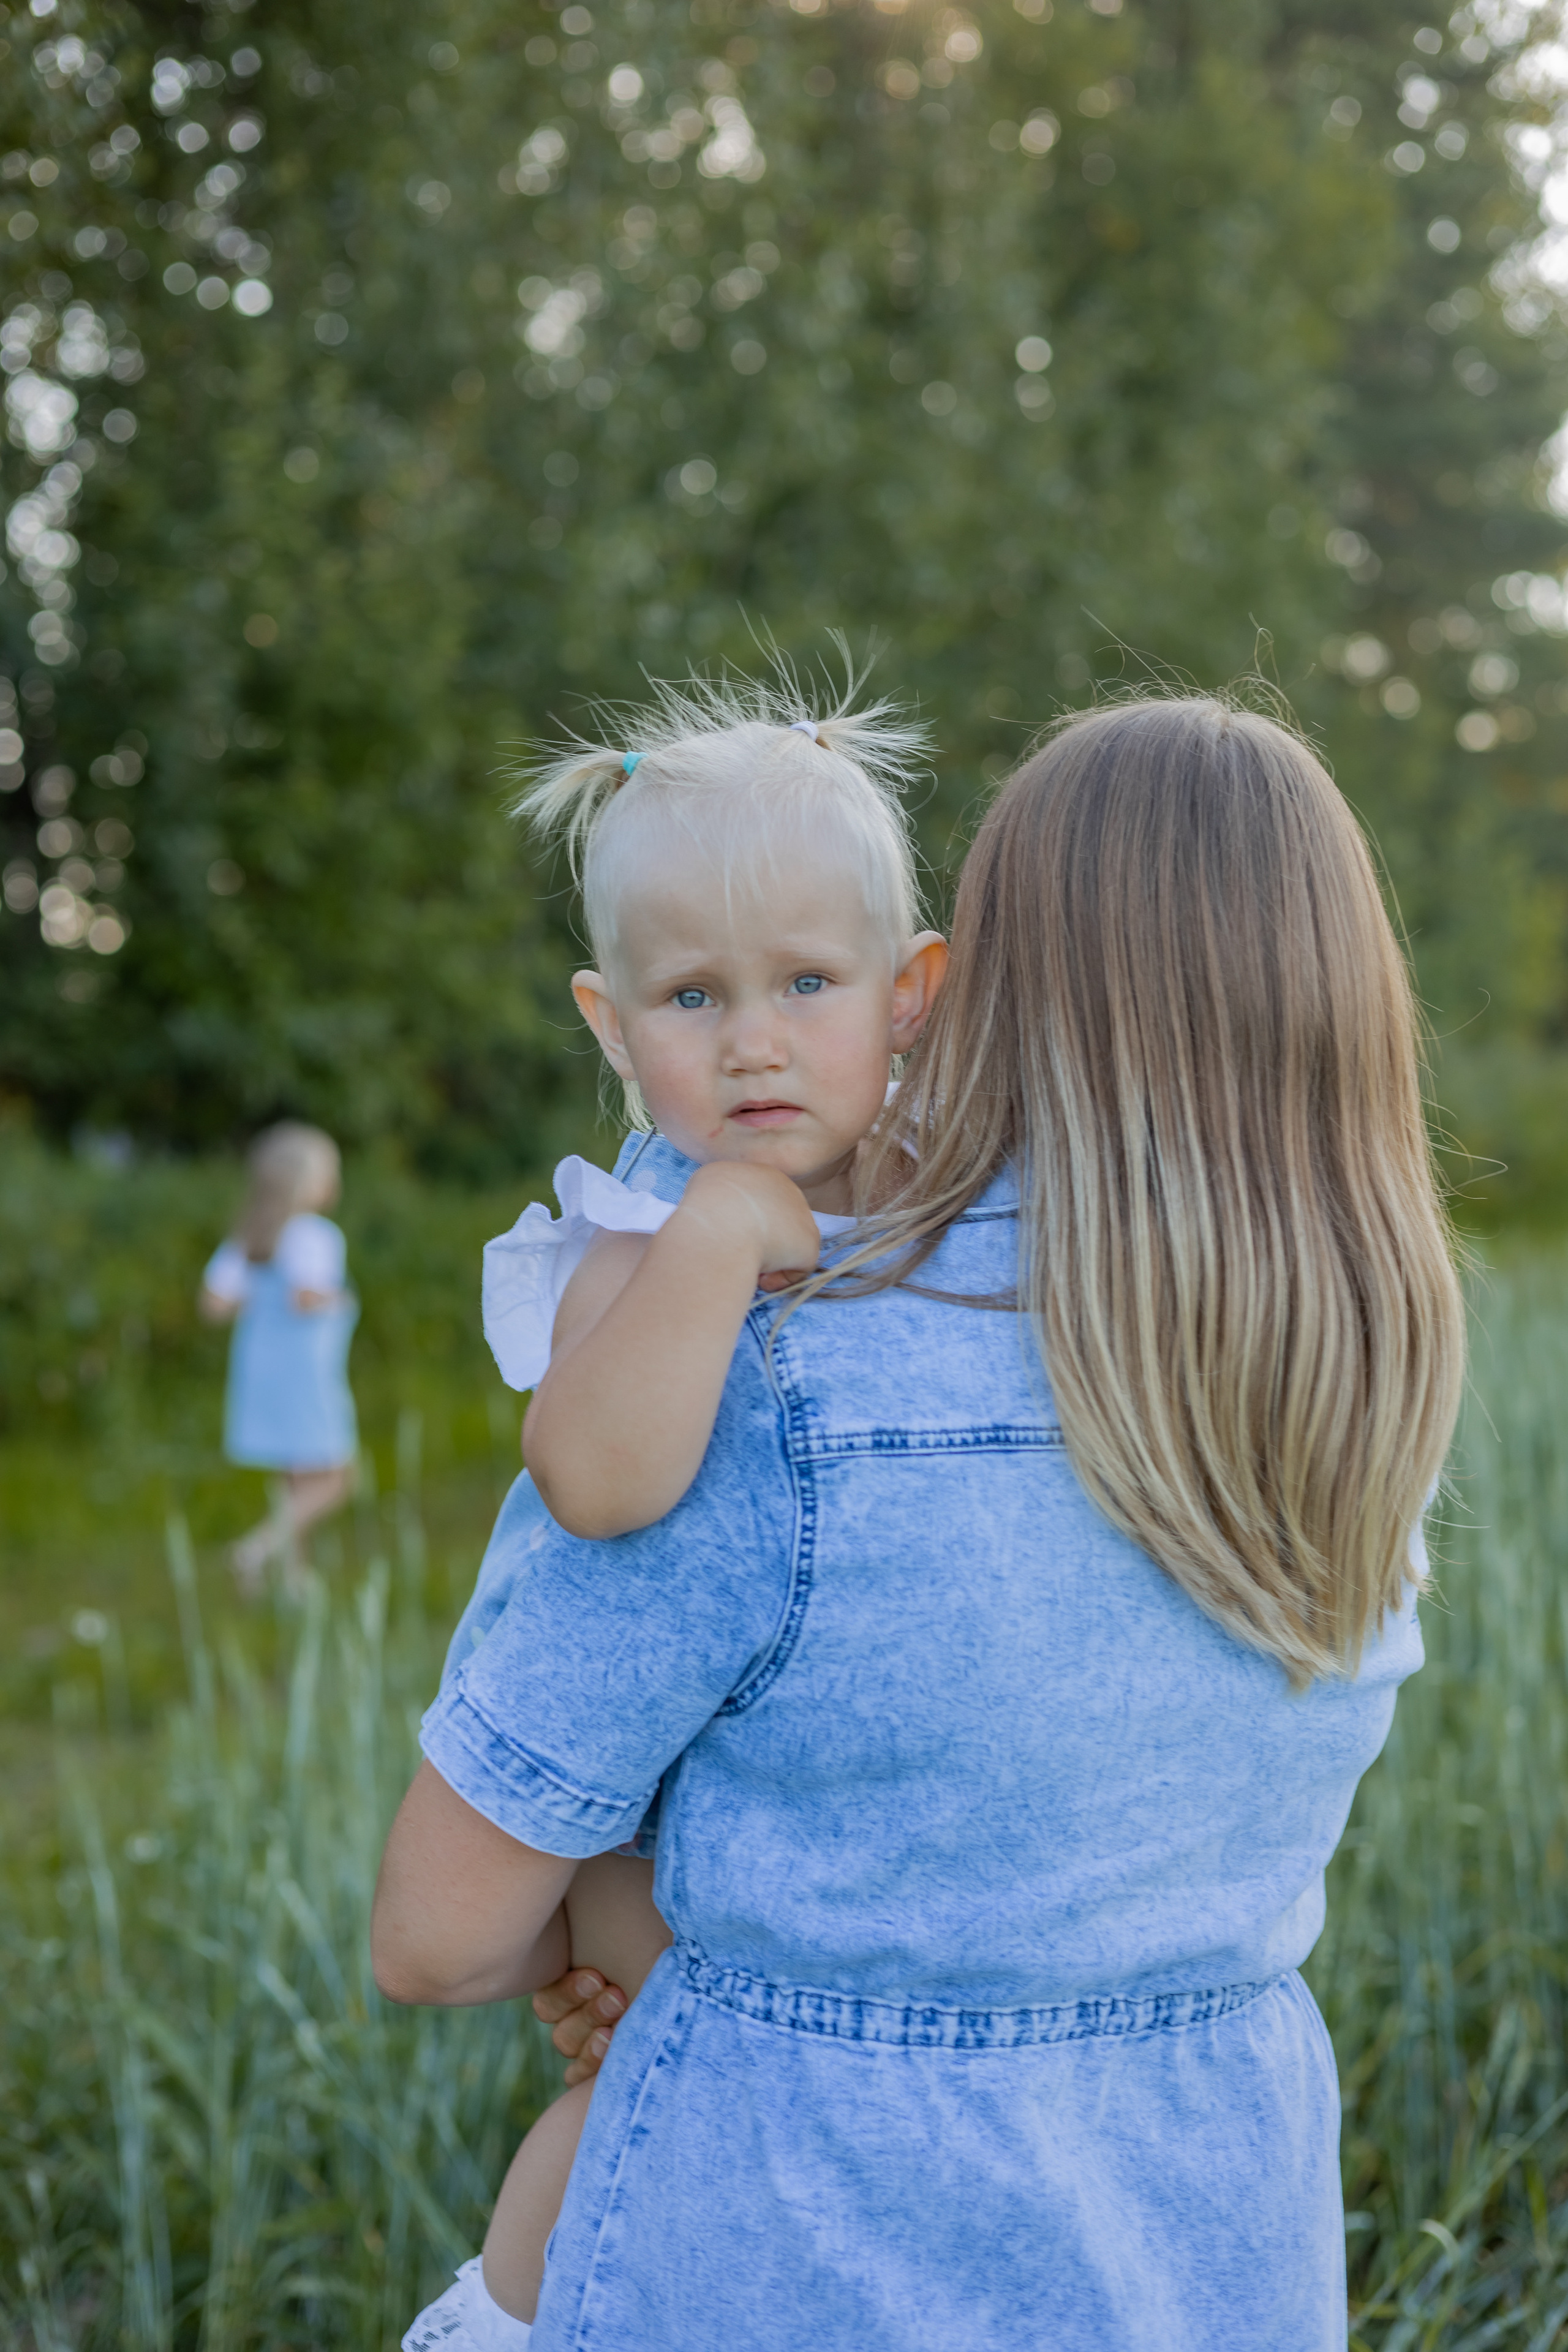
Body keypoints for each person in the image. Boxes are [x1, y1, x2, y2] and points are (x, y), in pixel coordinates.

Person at [375, 696, 1466, 2352]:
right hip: (1213, 2265)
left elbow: (438, 1936)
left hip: (801, 2253)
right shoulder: (1358, 1409)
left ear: (962, 985)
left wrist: (642, 1939)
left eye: (808, 980)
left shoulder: (780, 1356)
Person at [402, 673, 948, 2347]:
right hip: (611, 1771)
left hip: (790, 1747)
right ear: (610, 1026)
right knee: (648, 2067)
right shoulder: (629, 1237)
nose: (755, 1039)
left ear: (912, 995)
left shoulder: (947, 1194)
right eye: (693, 996)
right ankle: (507, 2317)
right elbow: (600, 1479)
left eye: (805, 982)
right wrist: (715, 1239)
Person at [199, 1120, 358, 1591]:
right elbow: (307, 1298)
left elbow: (213, 1305)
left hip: (261, 1371)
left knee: (295, 1476)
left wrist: (254, 1295)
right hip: (308, 1374)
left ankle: (292, 1577)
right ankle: (257, 1550)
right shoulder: (315, 1235)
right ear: (307, 1185)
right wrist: (340, 1300)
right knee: (337, 1477)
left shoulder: (249, 1239)